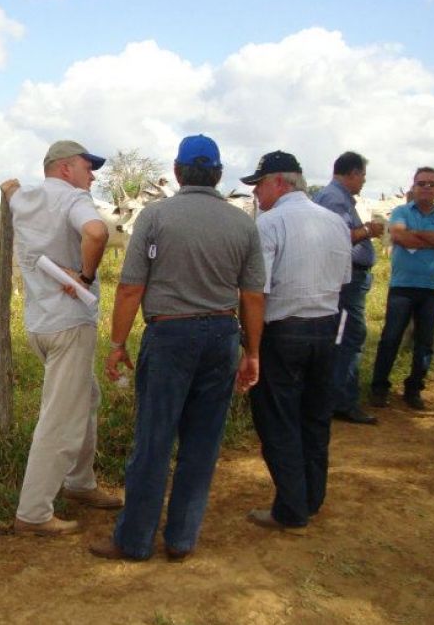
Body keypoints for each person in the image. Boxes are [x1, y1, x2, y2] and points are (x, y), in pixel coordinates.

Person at [89, 135, 265, 561]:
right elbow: (254, 296)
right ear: (219, 174)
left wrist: (116, 343)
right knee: (202, 444)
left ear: (177, 171)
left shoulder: (155, 217)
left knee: (153, 440)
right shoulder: (242, 223)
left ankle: (134, 542)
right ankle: (182, 539)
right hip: (222, 335)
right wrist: (252, 351)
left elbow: (131, 288)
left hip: (168, 337)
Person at [4, 139, 120, 537]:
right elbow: (96, 232)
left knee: (86, 398)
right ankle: (34, 512)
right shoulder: (74, 200)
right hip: (70, 322)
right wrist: (84, 277)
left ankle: (80, 483)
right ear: (66, 168)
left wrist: (10, 189)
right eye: (88, 168)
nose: (92, 176)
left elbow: (12, 192)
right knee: (60, 418)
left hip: (40, 322)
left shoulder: (26, 200)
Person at [243, 151, 351, 531]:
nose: (256, 193)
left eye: (259, 185)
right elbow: (343, 280)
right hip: (327, 327)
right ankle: (311, 497)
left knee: (278, 419)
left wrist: (251, 347)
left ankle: (291, 508)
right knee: (316, 416)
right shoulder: (336, 222)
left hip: (284, 329)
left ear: (278, 182)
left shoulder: (269, 224)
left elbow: (258, 291)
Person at [367, 167, 434, 410]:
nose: (426, 187)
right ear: (413, 187)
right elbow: (399, 236)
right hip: (402, 287)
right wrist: (430, 239)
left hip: (431, 288)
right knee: (390, 338)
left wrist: (414, 234)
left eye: (431, 184)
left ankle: (414, 388)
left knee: (424, 342)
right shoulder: (400, 211)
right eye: (421, 183)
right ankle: (379, 388)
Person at [314, 151, 382, 425]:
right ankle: (340, 401)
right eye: (363, 175)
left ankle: (335, 398)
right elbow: (339, 237)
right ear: (352, 173)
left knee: (343, 338)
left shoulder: (333, 197)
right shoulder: (334, 199)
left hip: (347, 280)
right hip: (347, 281)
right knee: (347, 338)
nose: (364, 180)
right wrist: (368, 231)